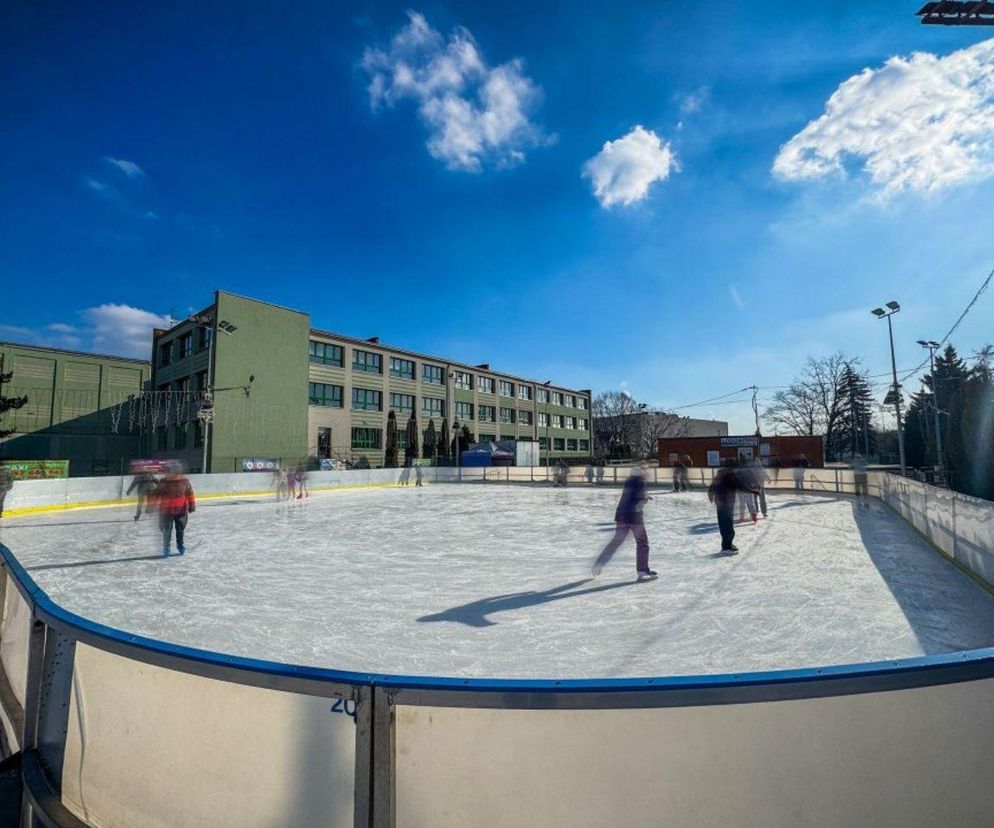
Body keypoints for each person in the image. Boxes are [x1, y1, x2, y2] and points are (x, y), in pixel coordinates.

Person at [592, 466, 657, 580]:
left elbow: (630, 496)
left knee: (616, 542)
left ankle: (599, 563)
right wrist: (644, 500)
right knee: (642, 542)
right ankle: (642, 571)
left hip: (621, 515)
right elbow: (638, 502)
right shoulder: (641, 481)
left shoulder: (629, 480)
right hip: (634, 517)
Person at [708, 460, 759, 555]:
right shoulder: (730, 475)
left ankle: (727, 544)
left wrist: (710, 494)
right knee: (727, 523)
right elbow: (740, 486)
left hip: (720, 501)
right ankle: (726, 547)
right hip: (726, 501)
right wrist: (753, 491)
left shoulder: (721, 474)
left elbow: (712, 486)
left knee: (725, 522)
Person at [155, 462, 196, 555]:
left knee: (180, 529)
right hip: (166, 511)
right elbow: (156, 494)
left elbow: (189, 494)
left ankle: (180, 545)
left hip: (180, 511)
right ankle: (166, 548)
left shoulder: (184, 482)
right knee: (167, 530)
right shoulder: (163, 482)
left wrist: (192, 505)